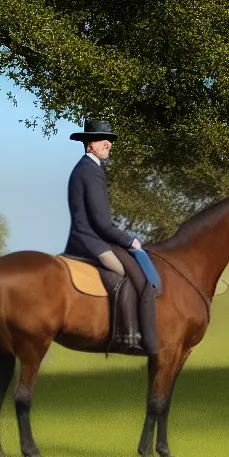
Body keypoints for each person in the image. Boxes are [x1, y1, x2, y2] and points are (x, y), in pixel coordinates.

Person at [64, 118, 160, 354]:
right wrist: (130, 240)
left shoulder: (90, 168)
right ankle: (127, 337)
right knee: (132, 274)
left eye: (109, 140)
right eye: (101, 139)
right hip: (90, 240)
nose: (108, 143)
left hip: (92, 236)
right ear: (89, 144)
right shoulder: (90, 171)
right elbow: (101, 221)